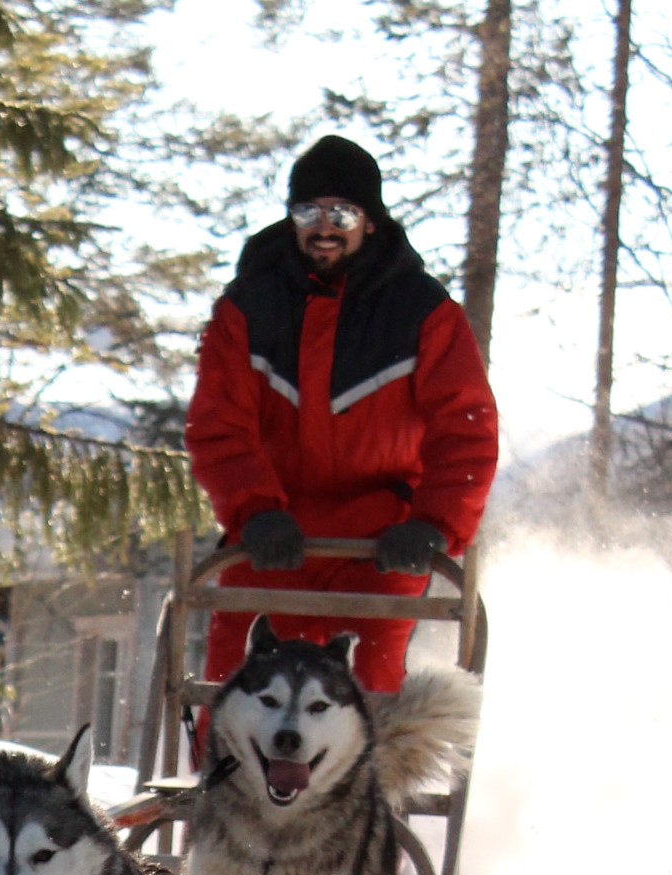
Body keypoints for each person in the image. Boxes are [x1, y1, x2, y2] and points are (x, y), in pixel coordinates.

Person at [185, 135, 499, 695]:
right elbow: (218, 424)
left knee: (366, 692)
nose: (324, 226)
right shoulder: (248, 307)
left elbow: (465, 428)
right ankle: (221, 780)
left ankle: (375, 781)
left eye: (343, 213)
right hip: (270, 534)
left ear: (370, 222)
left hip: (379, 542)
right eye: (308, 211)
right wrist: (253, 510)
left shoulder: (422, 312)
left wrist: (432, 525)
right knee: (238, 687)